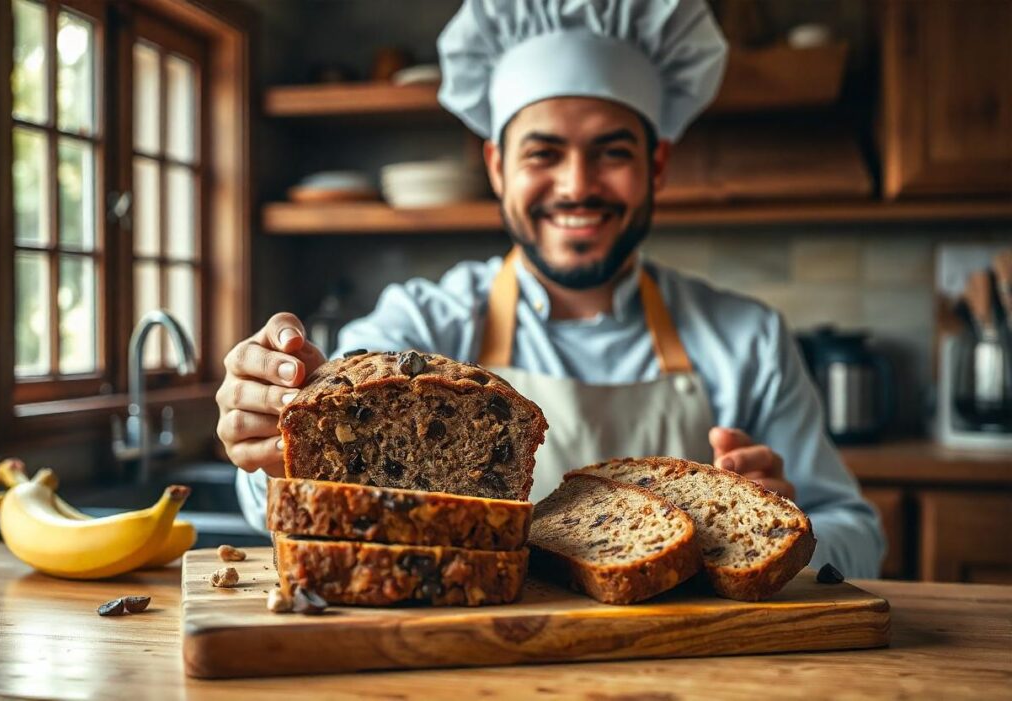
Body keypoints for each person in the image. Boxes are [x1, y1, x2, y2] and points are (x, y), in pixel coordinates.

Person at [218, 0, 885, 578]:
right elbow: (283, 494)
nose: (576, 185)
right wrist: (274, 443)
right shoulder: (420, 323)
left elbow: (860, 531)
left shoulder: (748, 339)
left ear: (657, 164)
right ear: (497, 166)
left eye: (612, 151)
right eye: (543, 153)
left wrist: (782, 529)